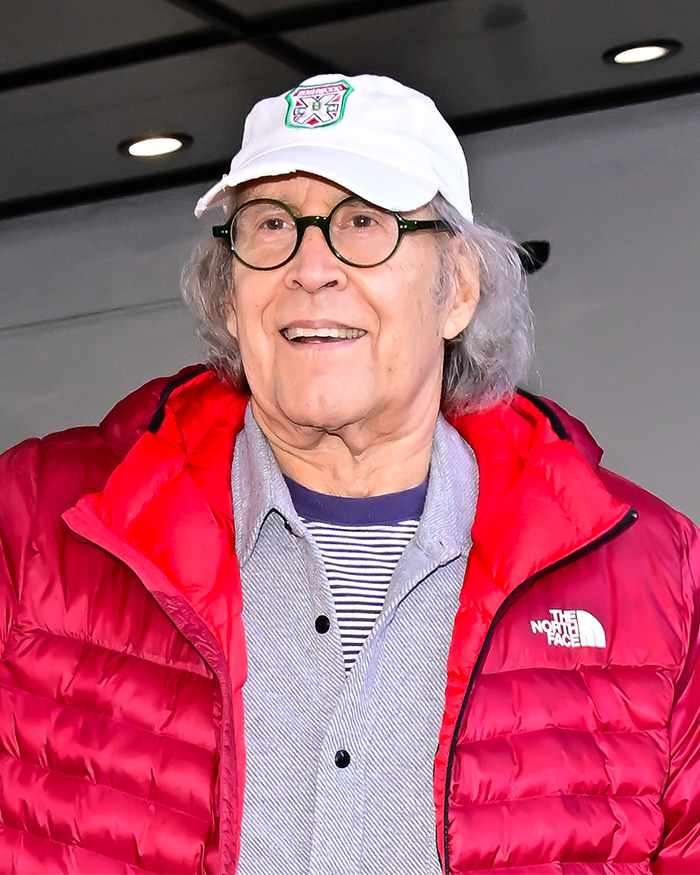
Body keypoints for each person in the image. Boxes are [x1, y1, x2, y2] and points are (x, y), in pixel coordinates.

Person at [0, 72, 698, 875]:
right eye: (270, 225)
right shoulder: (36, 527)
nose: (311, 267)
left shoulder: (654, 577)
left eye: (362, 222)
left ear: (458, 291)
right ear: (232, 297)